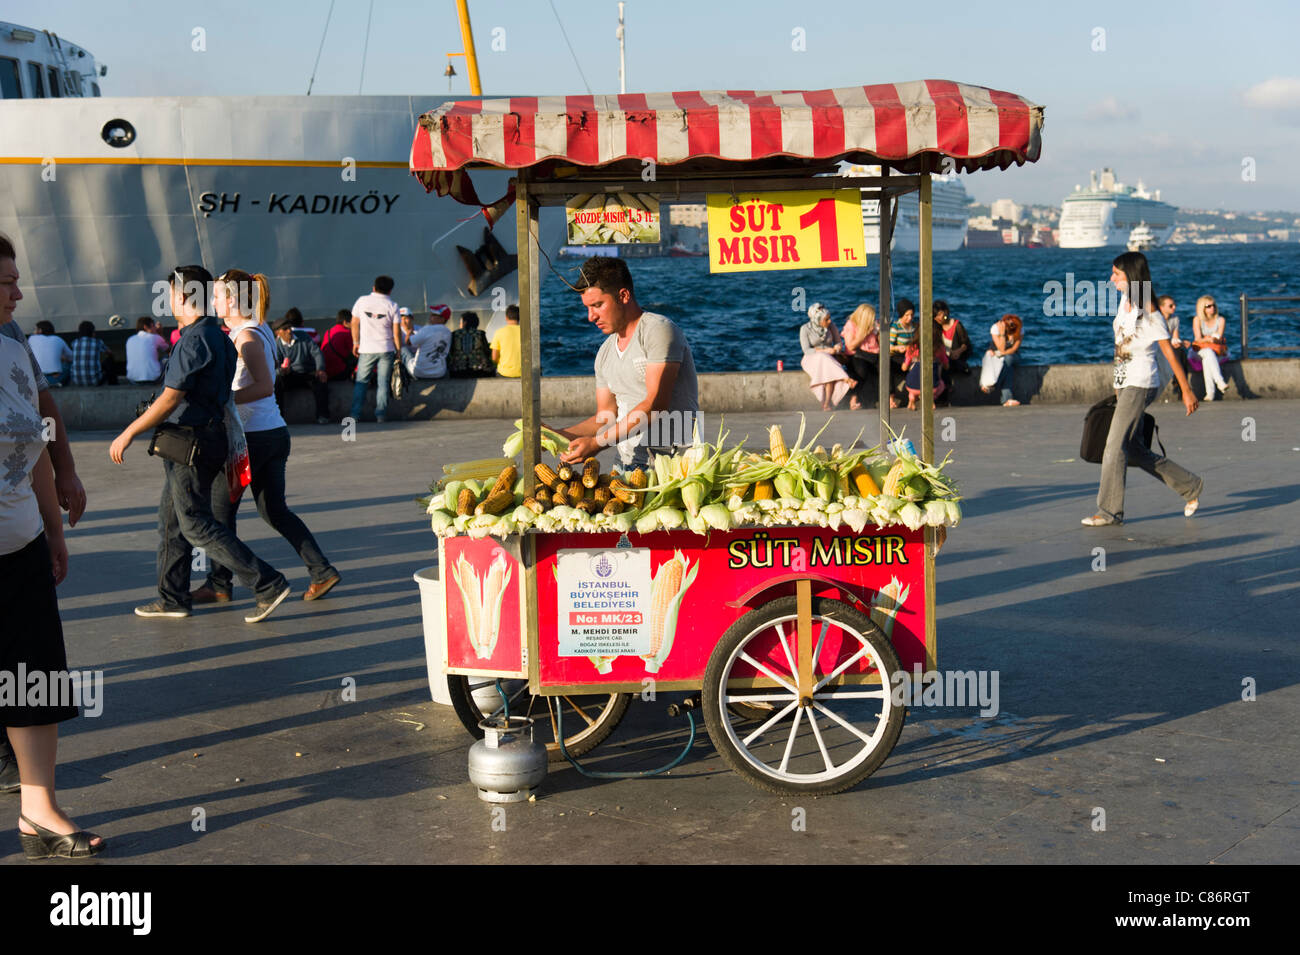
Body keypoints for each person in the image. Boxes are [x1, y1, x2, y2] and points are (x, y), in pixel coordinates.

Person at [109, 265, 292, 622]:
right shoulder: (219, 335)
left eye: (171, 294)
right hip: (205, 439)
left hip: (189, 442)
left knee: (193, 522)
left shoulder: (195, 339)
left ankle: (266, 582)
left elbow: (170, 399)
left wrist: (129, 432)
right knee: (171, 521)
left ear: (182, 296)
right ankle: (172, 597)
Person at [0, 254, 102, 858]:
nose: (19, 291)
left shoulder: (13, 352)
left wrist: (52, 531)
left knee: (31, 678)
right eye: (6, 281)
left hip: (19, 546)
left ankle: (37, 809)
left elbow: (35, 441)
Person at [191, 270, 341, 605]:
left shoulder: (246, 337)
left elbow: (264, 386)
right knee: (274, 510)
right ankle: (321, 571)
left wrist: (221, 401)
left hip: (250, 441)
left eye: (216, 295)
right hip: (270, 434)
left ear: (232, 299)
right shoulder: (257, 330)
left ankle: (224, 583)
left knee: (219, 514)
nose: (212, 301)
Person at [1082, 251, 1202, 527]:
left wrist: (1186, 390)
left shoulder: (1150, 313)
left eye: (1117, 274)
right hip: (1125, 383)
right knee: (1132, 449)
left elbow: (1169, 354)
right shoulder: (1126, 301)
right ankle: (1190, 486)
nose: (1111, 279)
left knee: (1112, 446)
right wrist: (1116, 382)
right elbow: (1120, 344)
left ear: (1132, 276)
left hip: (1141, 382)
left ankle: (1109, 511)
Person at [556, 256, 699, 469]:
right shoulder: (604, 352)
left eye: (597, 305)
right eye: (587, 308)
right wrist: (558, 435)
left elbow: (654, 406)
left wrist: (596, 443)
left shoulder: (657, 330)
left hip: (674, 465)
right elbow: (605, 417)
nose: (590, 317)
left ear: (623, 295)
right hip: (625, 466)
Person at [349, 276, 402, 423]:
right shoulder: (393, 305)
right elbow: (396, 332)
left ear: (374, 287)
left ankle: (355, 414)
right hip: (386, 348)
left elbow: (354, 323)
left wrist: (355, 342)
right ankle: (380, 415)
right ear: (390, 290)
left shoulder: (362, 301)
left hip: (366, 349)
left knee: (361, 382)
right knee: (383, 383)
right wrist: (398, 351)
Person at [272, 315, 330, 423]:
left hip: (307, 373)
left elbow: (317, 353)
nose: (289, 331)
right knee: (277, 382)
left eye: (290, 328)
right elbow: (274, 366)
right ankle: (279, 418)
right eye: (285, 329)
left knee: (321, 381)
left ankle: (323, 416)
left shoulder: (304, 337)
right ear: (277, 333)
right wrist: (282, 371)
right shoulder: (276, 345)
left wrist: (320, 369)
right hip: (290, 375)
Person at [800, 303, 857, 411]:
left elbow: (838, 343)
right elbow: (807, 350)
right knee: (823, 357)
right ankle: (845, 378)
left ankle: (826, 404)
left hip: (830, 358)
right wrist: (824, 351)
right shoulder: (805, 329)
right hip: (811, 358)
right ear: (818, 320)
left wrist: (835, 349)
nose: (829, 321)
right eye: (826, 320)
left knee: (828, 371)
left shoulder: (831, 326)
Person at [902, 320, 949, 410]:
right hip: (932, 387)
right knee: (941, 384)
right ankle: (931, 399)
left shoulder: (912, 347)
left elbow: (904, 368)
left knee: (914, 368)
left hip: (912, 386)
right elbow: (947, 366)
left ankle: (912, 397)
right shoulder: (939, 348)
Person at [1191, 295, 1231, 401]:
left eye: (1213, 305)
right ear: (1202, 308)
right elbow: (1198, 339)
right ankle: (1220, 382)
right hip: (1199, 351)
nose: (1212, 308)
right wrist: (1208, 339)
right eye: (1208, 306)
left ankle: (1210, 393)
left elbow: (1218, 337)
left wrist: (1208, 339)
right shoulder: (1197, 320)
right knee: (1208, 353)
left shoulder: (1221, 320)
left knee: (1208, 359)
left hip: (1217, 351)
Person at [841, 303, 880, 406]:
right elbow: (850, 346)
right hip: (856, 355)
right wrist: (864, 333)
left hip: (872, 355)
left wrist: (879, 332)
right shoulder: (851, 325)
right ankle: (853, 399)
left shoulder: (874, 325)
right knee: (861, 370)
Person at [982, 314, 1023, 407]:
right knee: (1009, 368)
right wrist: (1002, 334)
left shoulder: (1019, 330)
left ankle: (993, 385)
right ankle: (1007, 399)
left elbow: (1014, 349)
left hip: (1013, 356)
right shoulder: (995, 329)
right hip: (999, 356)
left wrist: (999, 354)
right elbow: (1001, 348)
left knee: (1008, 359)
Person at [403, 304, 452, 379]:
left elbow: (408, 342)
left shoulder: (427, 329)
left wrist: (409, 331)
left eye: (434, 315)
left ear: (442, 318)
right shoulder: (448, 332)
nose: (430, 317)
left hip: (419, 373)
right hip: (439, 373)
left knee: (403, 350)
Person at [1153, 295, 1188, 398]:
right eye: (1171, 306)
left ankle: (1179, 384)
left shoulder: (1175, 319)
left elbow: (1175, 338)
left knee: (1180, 352)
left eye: (1174, 305)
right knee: (1177, 353)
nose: (1174, 308)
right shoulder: (1156, 319)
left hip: (1169, 347)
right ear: (1162, 307)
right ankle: (1179, 384)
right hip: (1157, 348)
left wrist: (1180, 343)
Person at [887, 298, 918, 408]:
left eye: (911, 315)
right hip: (897, 356)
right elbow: (888, 347)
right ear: (901, 315)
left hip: (911, 355)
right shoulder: (896, 327)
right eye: (907, 315)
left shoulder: (914, 326)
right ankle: (891, 398)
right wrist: (897, 348)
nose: (909, 318)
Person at [447, 312, 496, 378]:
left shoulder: (455, 334)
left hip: (457, 372)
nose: (460, 325)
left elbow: (451, 352)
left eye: (460, 322)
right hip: (479, 371)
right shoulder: (480, 333)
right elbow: (487, 351)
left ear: (465, 323)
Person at [126, 316, 170, 384]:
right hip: (154, 379)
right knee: (166, 359)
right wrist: (160, 333)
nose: (155, 328)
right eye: (153, 325)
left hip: (133, 380)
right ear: (145, 327)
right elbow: (170, 351)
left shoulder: (130, 339)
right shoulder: (155, 337)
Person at [28, 320, 72, 387]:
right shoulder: (58, 339)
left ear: (40, 330)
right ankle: (58, 382)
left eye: (35, 329)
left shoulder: (32, 338)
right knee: (68, 364)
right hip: (55, 378)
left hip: (37, 379)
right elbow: (71, 357)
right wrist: (62, 358)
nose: (33, 331)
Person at [934, 300, 972, 375]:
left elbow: (966, 343)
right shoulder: (936, 328)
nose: (939, 318)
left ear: (946, 312)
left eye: (940, 314)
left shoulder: (957, 325)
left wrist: (958, 351)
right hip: (943, 356)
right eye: (936, 315)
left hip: (956, 356)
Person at [68, 320, 110, 387]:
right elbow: (109, 353)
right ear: (92, 331)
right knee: (110, 361)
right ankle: (114, 384)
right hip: (95, 381)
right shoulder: (98, 342)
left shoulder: (74, 342)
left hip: (76, 381)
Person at [321, 309, 357, 382]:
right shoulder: (347, 333)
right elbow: (356, 352)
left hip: (325, 372)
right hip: (339, 372)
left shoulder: (328, 332)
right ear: (345, 322)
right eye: (352, 322)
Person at [491, 305, 522, 378]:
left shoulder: (499, 332)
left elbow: (494, 357)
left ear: (506, 318)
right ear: (519, 317)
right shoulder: (527, 332)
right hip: (523, 373)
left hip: (504, 373)